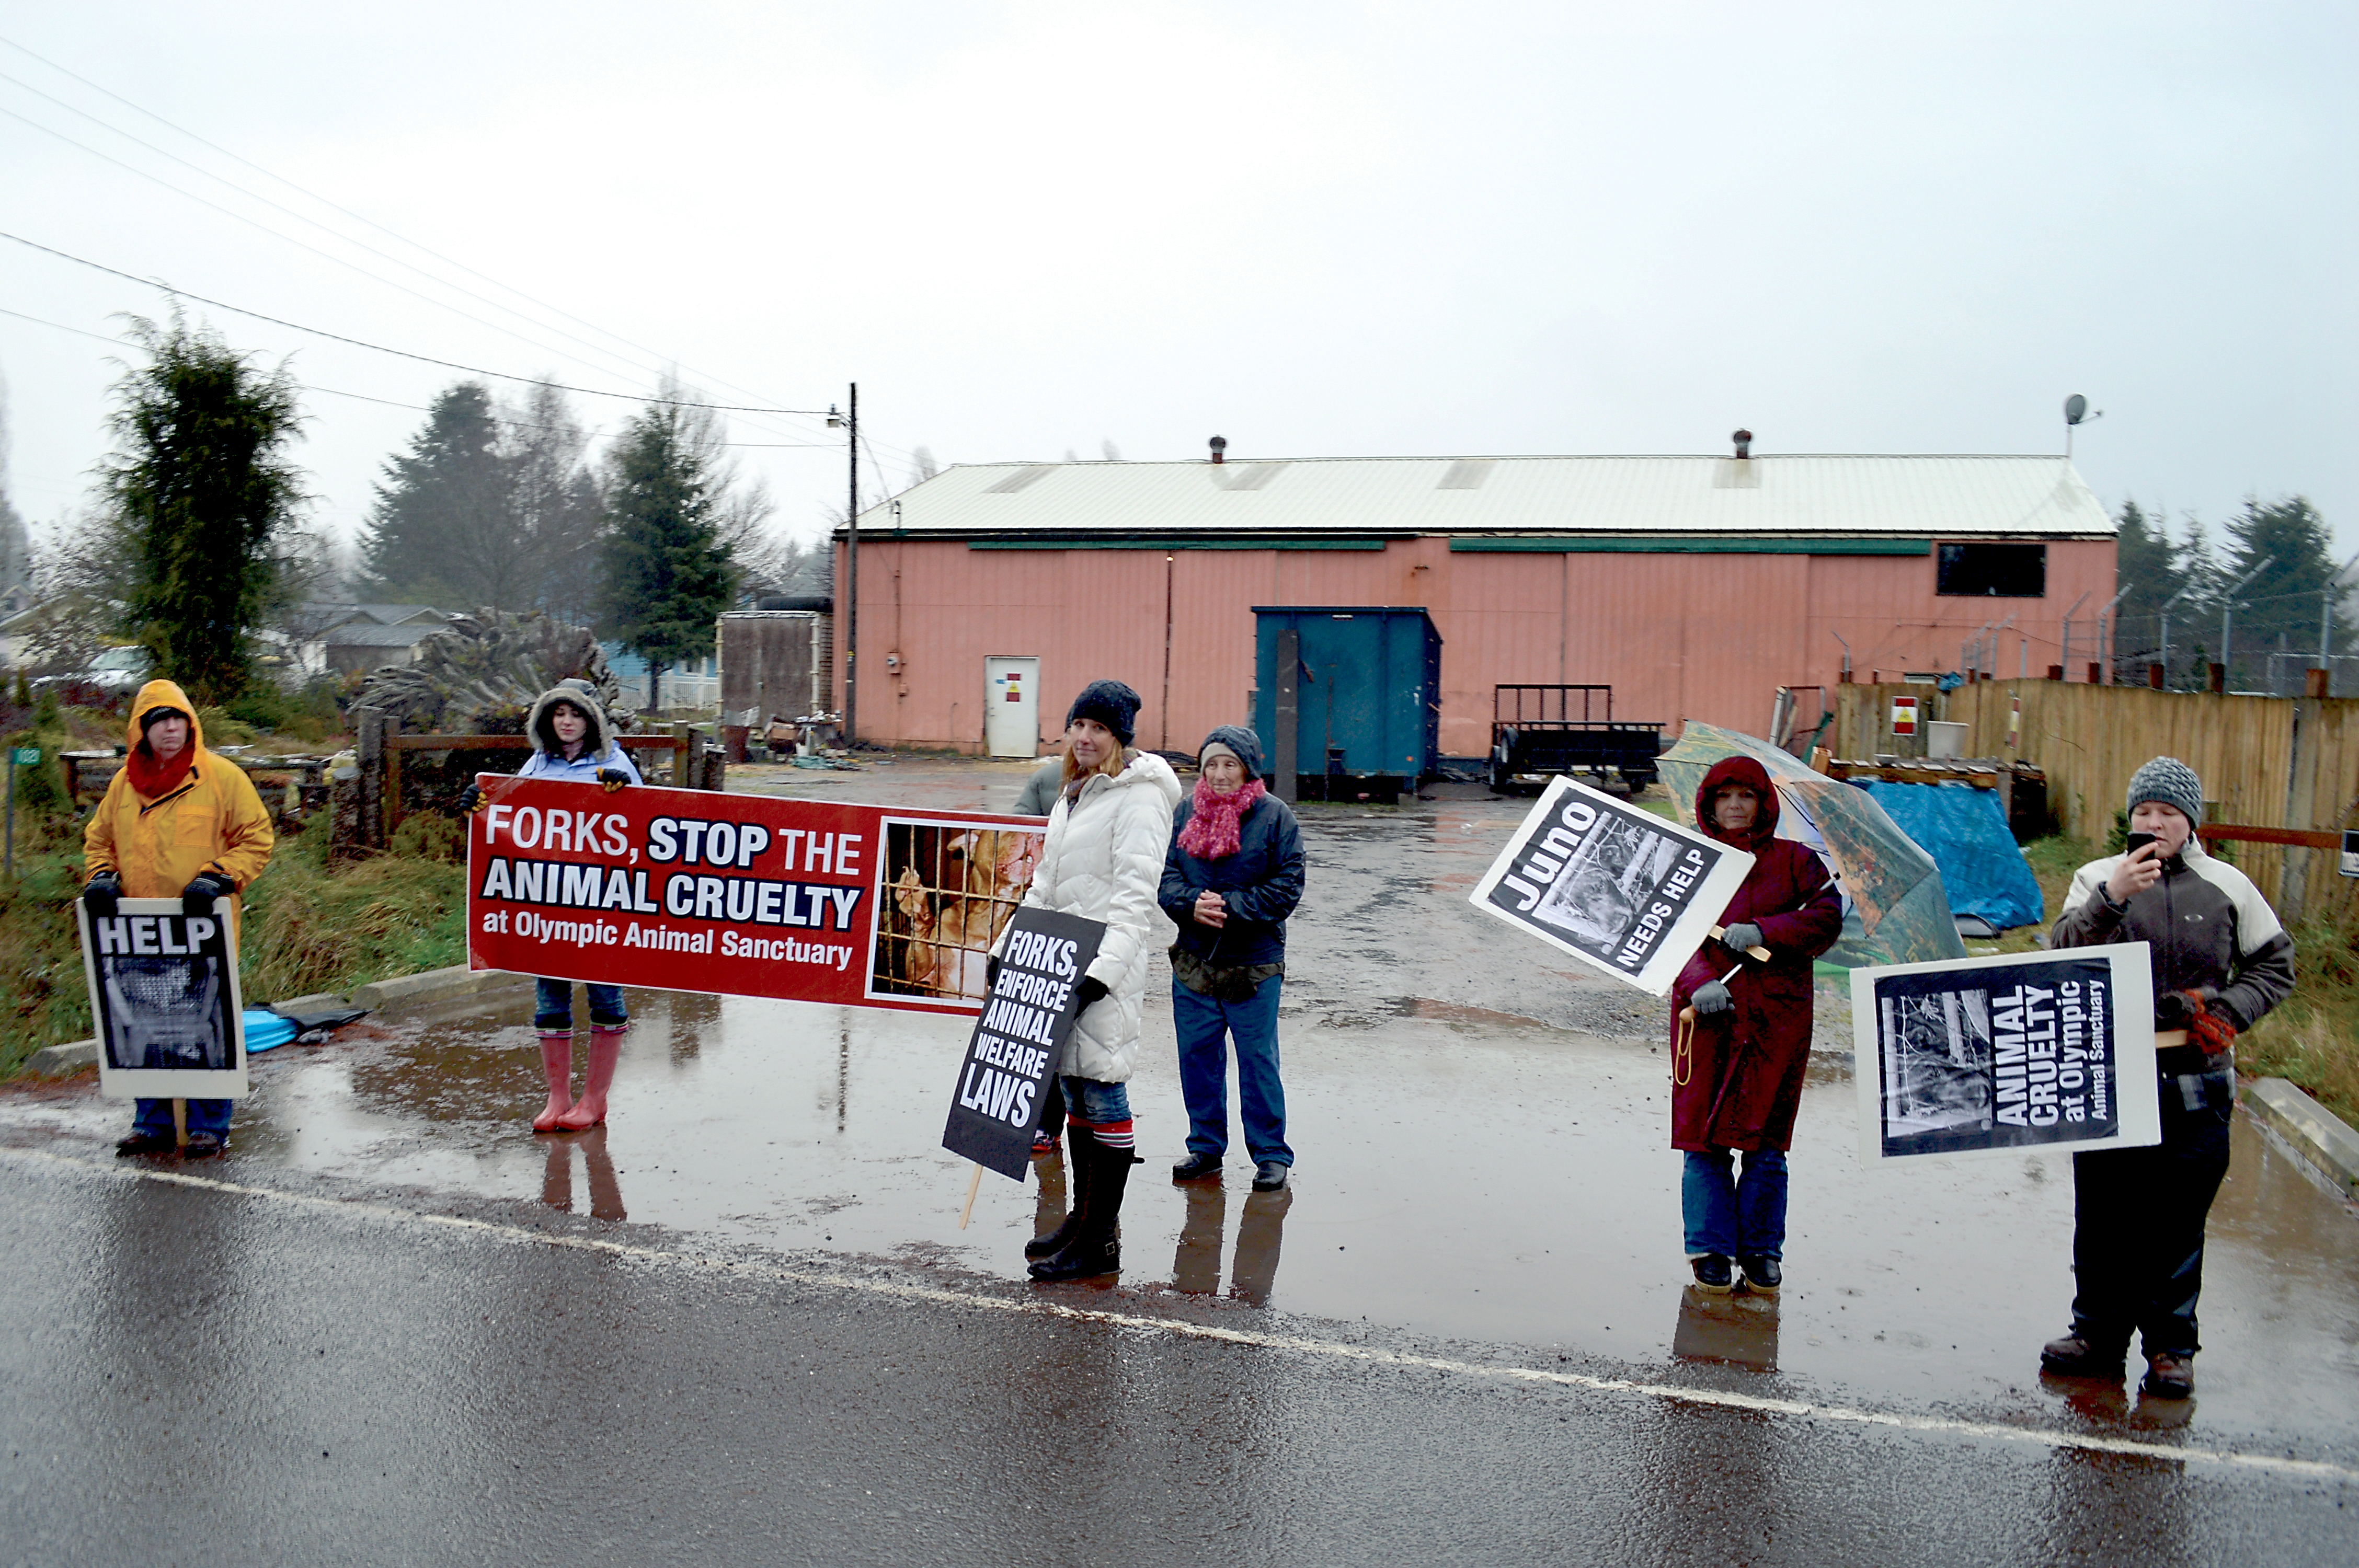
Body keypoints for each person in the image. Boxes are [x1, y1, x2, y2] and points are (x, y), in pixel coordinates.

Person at [2038, 756, 2294, 1398]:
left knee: (2178, 1219)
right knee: (2103, 1216)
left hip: (2197, 1080)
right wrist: (2112, 897)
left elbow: (2275, 964)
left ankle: (2171, 1350)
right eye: (2145, 812)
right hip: (2108, 1075)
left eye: (2169, 814)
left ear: (2191, 823)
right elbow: (2059, 954)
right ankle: (2096, 1335)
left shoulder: (2229, 885)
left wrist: (2227, 1013)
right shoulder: (2097, 877)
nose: (2155, 823)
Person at [991, 678, 1181, 1281]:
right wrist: (1006, 949)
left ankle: (1102, 1239)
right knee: (1073, 1090)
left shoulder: (1142, 799)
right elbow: (1043, 884)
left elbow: (1134, 902)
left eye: (1099, 728)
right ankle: (1082, 1218)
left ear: (1120, 737)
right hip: (1056, 961)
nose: (1086, 737)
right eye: (1079, 725)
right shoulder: (1071, 794)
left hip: (1103, 969)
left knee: (1104, 1092)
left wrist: (1096, 980)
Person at [1669, 756, 1842, 1294]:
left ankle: (1763, 1249)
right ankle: (1709, 1247)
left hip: (1776, 1021)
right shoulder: (1690, 864)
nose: (1736, 806)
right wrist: (1699, 978)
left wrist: (1766, 929)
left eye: (1747, 795)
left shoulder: (1797, 862)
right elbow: (1663, 931)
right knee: (1705, 1140)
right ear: (1710, 804)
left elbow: (1825, 917)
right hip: (1707, 1020)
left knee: (1768, 1143)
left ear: (1764, 803)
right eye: (1725, 797)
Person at [84, 680, 276, 1158]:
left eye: (178, 719)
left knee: (205, 1021)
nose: (170, 729)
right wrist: (103, 876)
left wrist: (220, 877)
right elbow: (99, 838)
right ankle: (152, 1124)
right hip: (138, 933)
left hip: (200, 931)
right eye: (158, 721)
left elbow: (256, 837)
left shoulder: (222, 777)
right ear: (141, 731)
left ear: (191, 724)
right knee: (145, 1021)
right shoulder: (123, 785)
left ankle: (211, 1125)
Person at [460, 682, 641, 1133]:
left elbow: (647, 824)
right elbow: (507, 813)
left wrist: (625, 795)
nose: (566, 722)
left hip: (602, 900)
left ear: (590, 721)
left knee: (604, 994)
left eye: (575, 714)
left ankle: (595, 1099)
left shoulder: (615, 763)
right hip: (549, 901)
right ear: (547, 720)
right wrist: (477, 804)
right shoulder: (537, 764)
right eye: (558, 713)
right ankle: (557, 1097)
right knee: (550, 995)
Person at [1160, 724, 1304, 1192]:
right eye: (1211, 765)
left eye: (1230, 764)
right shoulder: (1186, 812)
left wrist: (1233, 908)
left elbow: (1288, 884)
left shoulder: (1275, 816)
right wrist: (1189, 905)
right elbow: (1165, 878)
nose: (1220, 775)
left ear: (1247, 769)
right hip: (1194, 963)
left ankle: (1271, 1154)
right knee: (1197, 1058)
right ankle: (1205, 1147)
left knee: (1258, 1060)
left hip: (1254, 966)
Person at [1013, 751, 1068, 1151]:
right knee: (1053, 1028)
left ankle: (1049, 1125)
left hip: (1057, 918)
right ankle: (1051, 1123)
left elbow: (1014, 832)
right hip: (1053, 915)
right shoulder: (1047, 780)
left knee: (1050, 1027)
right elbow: (1014, 830)